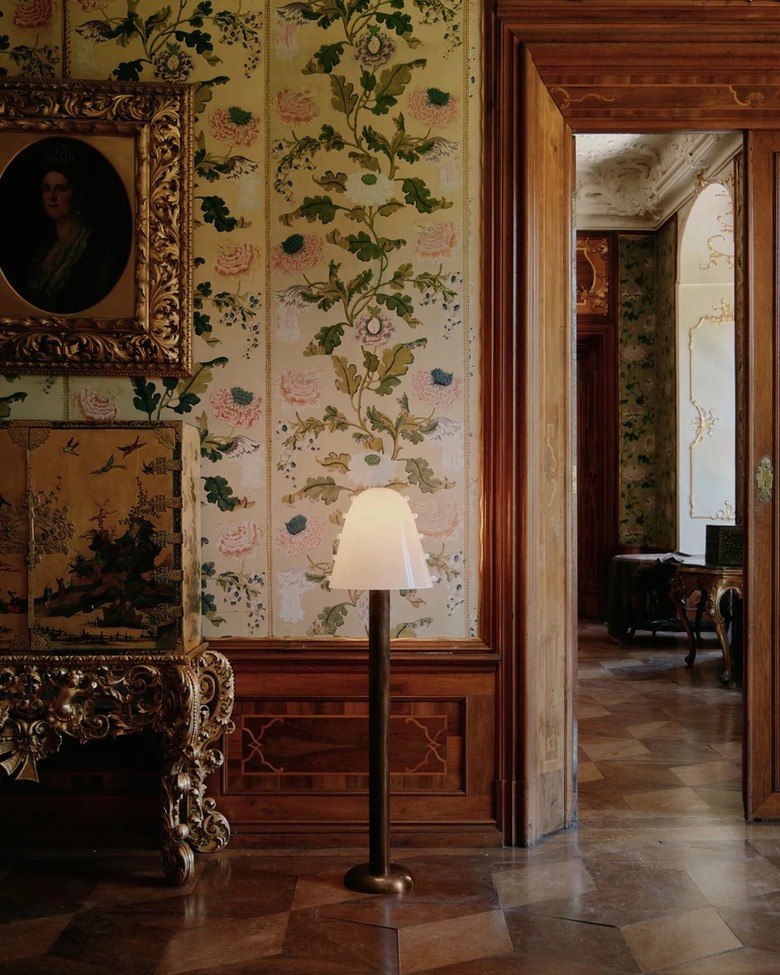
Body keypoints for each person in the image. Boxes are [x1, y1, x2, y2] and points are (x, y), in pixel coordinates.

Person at [1, 137, 131, 314]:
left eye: (61, 189)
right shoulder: (40, 243)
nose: (52, 197)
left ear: (76, 193)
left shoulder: (96, 246)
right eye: (46, 188)